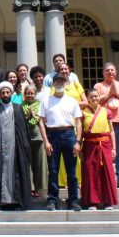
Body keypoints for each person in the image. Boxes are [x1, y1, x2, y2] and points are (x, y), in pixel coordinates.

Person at [38, 73, 83, 211]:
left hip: (69, 134)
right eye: (56, 81)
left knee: (71, 171)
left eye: (61, 81)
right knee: (53, 170)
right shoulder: (46, 101)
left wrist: (78, 142)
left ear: (66, 83)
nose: (59, 83)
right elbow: (40, 121)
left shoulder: (72, 101)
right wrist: (45, 141)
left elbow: (79, 123)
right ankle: (52, 200)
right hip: (52, 135)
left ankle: (73, 200)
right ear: (53, 84)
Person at [0, 81, 32, 210]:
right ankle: (3, 201)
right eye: (3, 93)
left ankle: (16, 200)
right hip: (0, 147)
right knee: (1, 172)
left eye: (7, 92)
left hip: (15, 147)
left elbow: (23, 130)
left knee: (15, 171)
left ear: (11, 93)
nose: (5, 95)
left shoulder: (18, 108)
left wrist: (23, 146)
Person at [93, 62, 119, 189]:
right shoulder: (98, 86)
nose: (110, 72)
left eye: (112, 70)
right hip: (105, 125)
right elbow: (95, 102)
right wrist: (109, 94)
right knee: (106, 153)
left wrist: (117, 93)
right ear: (103, 73)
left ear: (115, 72)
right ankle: (108, 178)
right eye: (107, 70)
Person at [80, 89, 118, 211]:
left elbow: (111, 131)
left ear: (99, 97)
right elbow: (80, 132)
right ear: (88, 98)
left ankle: (108, 202)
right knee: (90, 172)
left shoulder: (106, 111)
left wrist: (114, 147)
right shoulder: (83, 113)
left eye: (96, 96)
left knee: (107, 172)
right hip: (89, 145)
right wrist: (79, 147)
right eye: (91, 97)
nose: (94, 99)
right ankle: (92, 202)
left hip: (105, 144)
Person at [22, 84, 47, 198]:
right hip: (26, 136)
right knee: (28, 163)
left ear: (35, 94)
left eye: (32, 93)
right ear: (24, 94)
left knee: (39, 163)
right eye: (28, 93)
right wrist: (28, 116)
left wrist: (35, 116)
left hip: (38, 136)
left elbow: (44, 119)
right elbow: (20, 121)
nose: (30, 95)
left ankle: (39, 187)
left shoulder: (40, 105)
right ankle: (30, 187)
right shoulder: (20, 106)